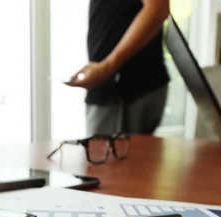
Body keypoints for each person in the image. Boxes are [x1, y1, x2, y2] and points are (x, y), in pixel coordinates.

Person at [66, 0, 171, 136]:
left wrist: (107, 67)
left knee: (105, 156)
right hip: (113, 86)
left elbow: (157, 10)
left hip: (126, 90)